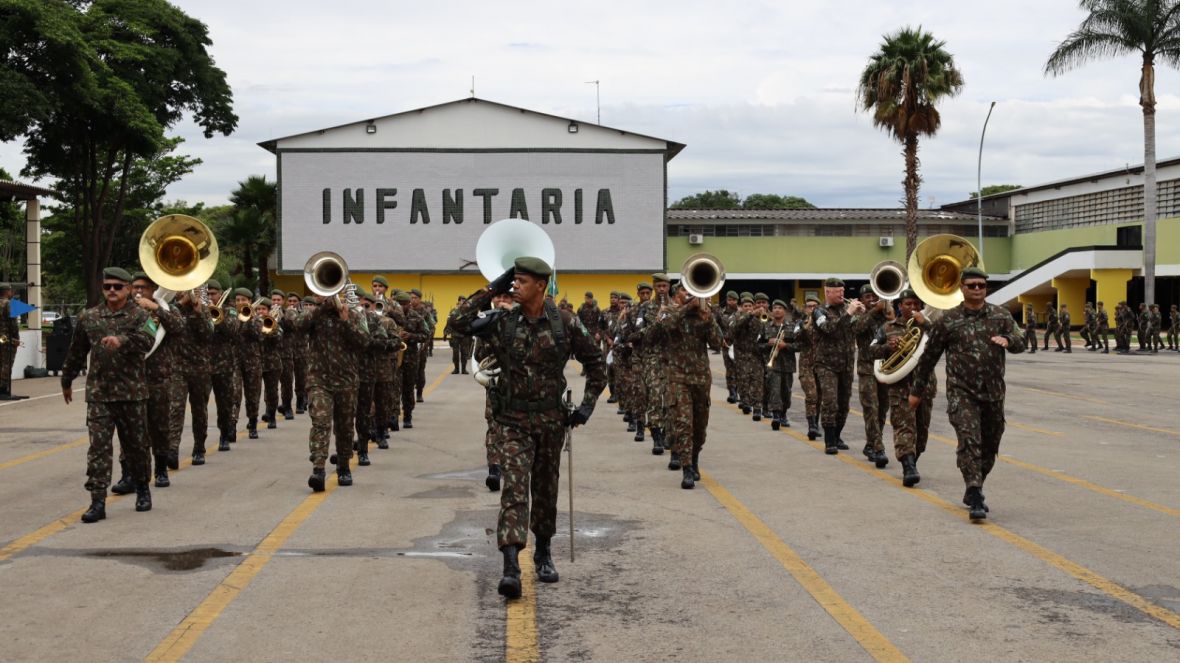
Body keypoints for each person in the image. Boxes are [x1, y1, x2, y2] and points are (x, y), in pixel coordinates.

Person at [448, 257, 606, 600]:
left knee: (546, 490)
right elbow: (455, 323)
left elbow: (597, 363)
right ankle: (510, 566)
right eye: (513, 280)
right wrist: (493, 287)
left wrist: (587, 406)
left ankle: (544, 552)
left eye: (521, 281)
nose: (515, 286)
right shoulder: (503, 321)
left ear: (541, 285)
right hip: (512, 422)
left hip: (550, 422)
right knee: (515, 491)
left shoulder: (565, 322)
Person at [909, 267, 1025, 521]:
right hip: (962, 393)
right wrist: (917, 391)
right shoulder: (948, 320)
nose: (977, 289)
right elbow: (928, 358)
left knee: (990, 444)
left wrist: (1009, 340)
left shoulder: (1001, 316)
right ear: (962, 288)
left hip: (993, 394)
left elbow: (1021, 341)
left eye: (981, 285)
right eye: (971, 285)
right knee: (969, 439)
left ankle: (976, 482)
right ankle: (975, 492)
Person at [61, 267, 155, 522]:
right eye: (107, 287)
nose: (112, 290)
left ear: (128, 289)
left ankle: (142, 489)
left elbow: (148, 341)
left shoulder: (141, 315)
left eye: (117, 286)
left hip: (131, 394)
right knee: (98, 449)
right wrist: (67, 379)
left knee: (136, 446)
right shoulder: (89, 317)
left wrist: (122, 340)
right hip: (99, 394)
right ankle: (97, 501)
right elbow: (77, 350)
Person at [297, 291, 370, 491]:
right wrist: (321, 309)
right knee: (320, 422)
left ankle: (343, 466)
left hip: (346, 380)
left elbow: (364, 342)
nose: (323, 295)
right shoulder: (315, 314)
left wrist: (346, 321)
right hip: (319, 380)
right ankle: (318, 469)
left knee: (345, 426)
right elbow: (298, 326)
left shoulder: (354, 313)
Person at [653, 282, 722, 487]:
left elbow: (717, 343)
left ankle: (694, 457)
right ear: (677, 294)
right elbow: (664, 327)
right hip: (678, 377)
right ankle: (687, 468)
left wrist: (709, 319)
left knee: (700, 427)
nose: (689, 293)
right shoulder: (668, 311)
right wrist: (686, 309)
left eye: (692, 290)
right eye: (685, 290)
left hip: (701, 379)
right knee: (684, 424)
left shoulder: (704, 314)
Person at [872, 289, 935, 487]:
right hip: (900, 386)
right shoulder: (887, 327)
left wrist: (927, 325)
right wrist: (888, 347)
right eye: (908, 304)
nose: (913, 307)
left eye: (916, 304)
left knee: (922, 431)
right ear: (900, 306)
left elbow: (945, 341)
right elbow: (871, 349)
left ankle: (913, 461)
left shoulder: (929, 325)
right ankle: (908, 467)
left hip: (924, 385)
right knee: (903, 426)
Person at [129, 272, 185, 489]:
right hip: (131, 379)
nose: (138, 291)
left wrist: (155, 308)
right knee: (132, 428)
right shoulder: (126, 310)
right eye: (135, 287)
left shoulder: (167, 309)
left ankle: (161, 470)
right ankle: (130, 474)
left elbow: (178, 327)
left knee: (160, 427)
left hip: (159, 379)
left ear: (153, 290)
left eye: (143, 287)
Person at [813, 278, 862, 454]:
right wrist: (849, 313)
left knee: (844, 403)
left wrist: (864, 314)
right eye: (838, 291)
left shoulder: (847, 310)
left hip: (846, 364)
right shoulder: (819, 311)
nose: (842, 294)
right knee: (830, 402)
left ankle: (837, 435)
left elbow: (859, 330)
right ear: (827, 292)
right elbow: (829, 329)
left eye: (843, 290)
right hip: (826, 365)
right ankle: (829, 440)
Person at [167, 287, 214, 465]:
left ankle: (199, 448)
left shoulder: (204, 311)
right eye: (181, 290)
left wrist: (198, 313)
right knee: (175, 409)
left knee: (199, 410)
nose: (184, 293)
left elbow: (208, 334)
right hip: (177, 368)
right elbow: (170, 326)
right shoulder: (172, 309)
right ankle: (172, 450)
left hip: (200, 369)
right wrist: (180, 304)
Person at [852, 285, 890, 467]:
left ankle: (871, 444)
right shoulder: (858, 314)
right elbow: (858, 329)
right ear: (861, 300)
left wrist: (889, 313)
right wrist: (875, 310)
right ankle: (878, 448)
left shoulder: (886, 315)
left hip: (885, 367)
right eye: (868, 296)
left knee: (882, 409)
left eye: (875, 296)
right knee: (871, 409)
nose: (872, 299)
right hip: (867, 368)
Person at [206, 280, 241, 453]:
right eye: (207, 294)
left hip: (223, 364)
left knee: (224, 403)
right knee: (200, 405)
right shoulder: (198, 310)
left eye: (213, 293)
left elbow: (233, 330)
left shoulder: (229, 311)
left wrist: (217, 316)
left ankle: (224, 434)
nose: (210, 297)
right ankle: (200, 442)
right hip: (202, 364)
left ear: (220, 294)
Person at [760, 299, 797, 431]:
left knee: (786, 392)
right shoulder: (765, 326)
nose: (777, 310)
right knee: (774, 391)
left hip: (788, 365)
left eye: (780, 308)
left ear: (785, 311)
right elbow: (757, 345)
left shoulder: (792, 326)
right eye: (775, 308)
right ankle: (776, 416)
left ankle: (783, 414)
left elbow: (799, 345)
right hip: (772, 364)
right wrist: (768, 344)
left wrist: (785, 345)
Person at [796, 296, 823, 440]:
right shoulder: (800, 323)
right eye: (809, 306)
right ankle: (811, 425)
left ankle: (815, 425)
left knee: (820, 397)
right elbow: (795, 337)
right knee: (812, 395)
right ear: (805, 309)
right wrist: (804, 328)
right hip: (806, 366)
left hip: (821, 365)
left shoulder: (824, 323)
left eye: (815, 306)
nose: (812, 309)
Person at [0, 282, 19, 400]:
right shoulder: (8, 304)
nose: (11, 293)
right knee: (6, 363)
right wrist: (16, 339)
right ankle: (3, 389)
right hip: (7, 339)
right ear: (7, 292)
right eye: (10, 290)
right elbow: (13, 324)